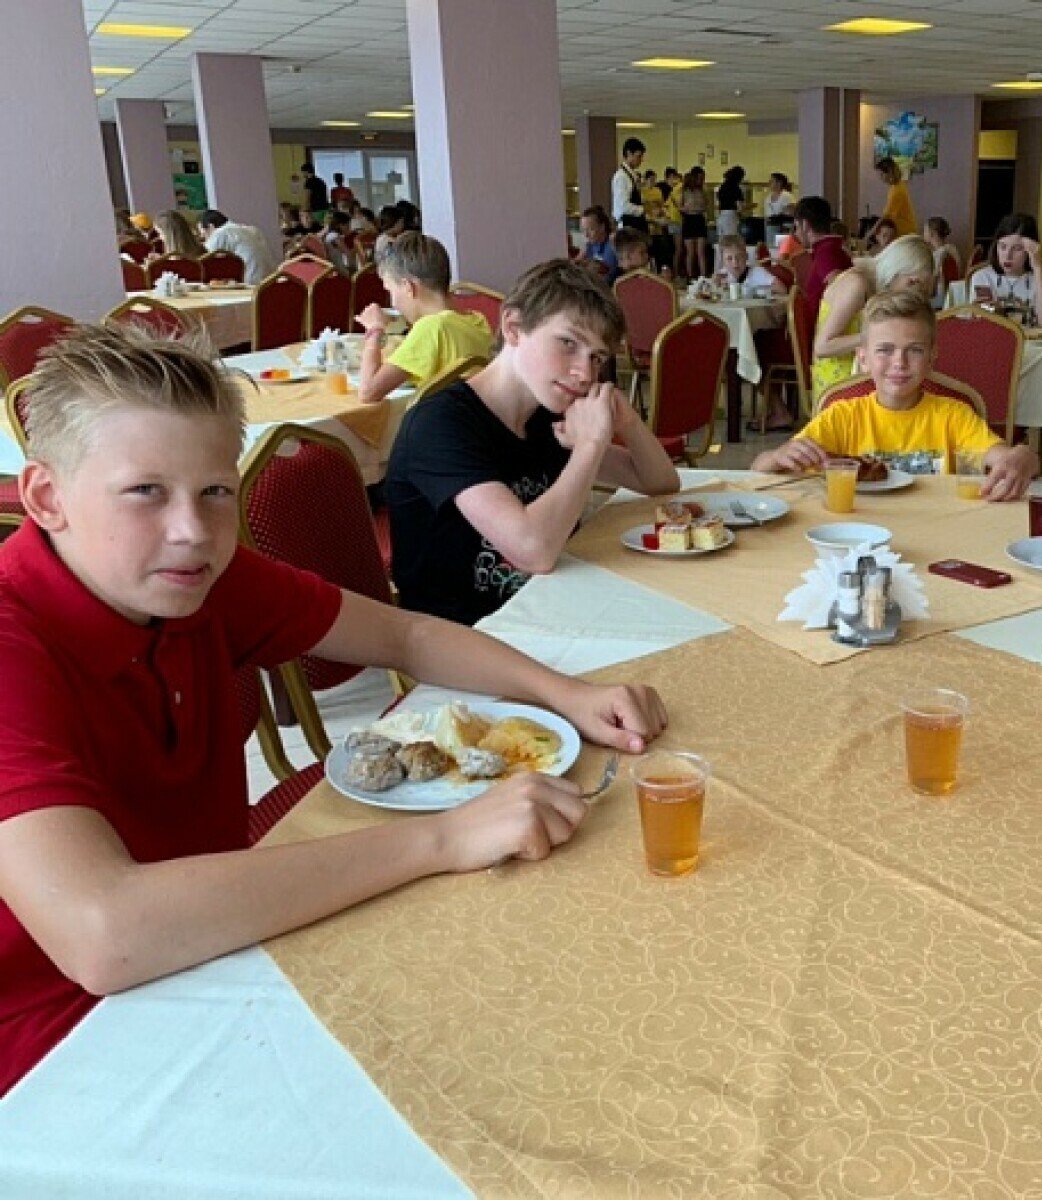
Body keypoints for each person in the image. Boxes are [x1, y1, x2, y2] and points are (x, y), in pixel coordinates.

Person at [0, 323, 670, 1096]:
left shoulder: (201, 577)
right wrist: (445, 837)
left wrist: (567, 694)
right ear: (47, 497)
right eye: (144, 492)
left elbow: (407, 635)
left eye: (215, 491)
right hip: (59, 1049)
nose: (191, 533)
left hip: (216, 944)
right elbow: (103, 932)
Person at [385, 260, 680, 625]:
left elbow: (659, 482)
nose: (585, 373)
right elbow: (533, 551)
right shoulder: (440, 424)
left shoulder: (547, 414)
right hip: (468, 631)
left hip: (551, 606)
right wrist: (589, 446)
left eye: (597, 357)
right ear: (513, 327)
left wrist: (628, 422)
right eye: (568, 343)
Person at [753, 291, 1037, 499]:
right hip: (859, 531)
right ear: (863, 358)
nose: (899, 363)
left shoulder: (954, 416)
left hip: (937, 529)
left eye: (914, 350)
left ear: (931, 358)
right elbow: (759, 471)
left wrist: (1022, 456)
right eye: (885, 350)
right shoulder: (842, 417)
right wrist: (777, 456)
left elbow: (1006, 459)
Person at [354, 232, 495, 405]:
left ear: (408, 287)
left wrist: (374, 329)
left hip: (442, 418)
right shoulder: (477, 320)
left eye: (390, 291)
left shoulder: (432, 328)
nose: (393, 303)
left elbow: (367, 393)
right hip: (473, 417)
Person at [811, 234, 936, 394]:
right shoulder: (856, 285)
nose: (912, 293)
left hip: (864, 368)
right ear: (895, 270)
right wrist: (875, 337)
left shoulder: (878, 288)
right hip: (838, 380)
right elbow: (822, 347)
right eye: (911, 283)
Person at [967, 213, 1042, 328]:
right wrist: (985, 311)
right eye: (1002, 247)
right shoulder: (982, 276)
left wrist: (1038, 268)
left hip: (1033, 338)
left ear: (1030, 250)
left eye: (1017, 248)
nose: (1008, 255)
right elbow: (982, 323)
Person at [792, 195, 853, 333]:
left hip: (822, 332)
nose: (796, 233)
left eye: (796, 227)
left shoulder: (826, 252)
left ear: (805, 225)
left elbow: (842, 290)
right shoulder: (831, 248)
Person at [196, 210, 275, 285]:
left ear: (211, 226)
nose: (203, 237)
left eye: (202, 233)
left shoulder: (221, 233)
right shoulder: (250, 230)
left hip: (251, 284)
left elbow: (203, 259)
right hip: (270, 282)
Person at [866, 158, 917, 251]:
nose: (880, 178)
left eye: (882, 174)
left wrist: (870, 233)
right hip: (903, 230)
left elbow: (886, 216)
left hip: (904, 232)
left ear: (889, 172)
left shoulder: (897, 191)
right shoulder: (896, 186)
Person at [714, 234, 785, 295]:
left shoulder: (757, 272)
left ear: (746, 257)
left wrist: (754, 290)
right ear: (723, 260)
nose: (735, 262)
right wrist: (716, 284)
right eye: (729, 258)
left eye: (739, 257)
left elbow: (782, 289)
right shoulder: (723, 274)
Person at [677, 167, 711, 279]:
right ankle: (690, 276)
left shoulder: (703, 190)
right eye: (700, 178)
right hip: (689, 219)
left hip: (699, 219)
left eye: (703, 178)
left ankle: (703, 276)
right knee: (690, 251)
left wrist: (700, 207)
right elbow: (679, 206)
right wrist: (687, 208)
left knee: (701, 251)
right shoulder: (684, 190)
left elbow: (707, 204)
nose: (701, 180)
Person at [611, 137, 648, 234]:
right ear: (629, 153)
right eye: (639, 156)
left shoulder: (632, 175)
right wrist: (643, 209)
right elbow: (623, 206)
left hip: (636, 224)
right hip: (628, 225)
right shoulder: (621, 177)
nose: (641, 160)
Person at [922, 217, 961, 306]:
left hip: (939, 300)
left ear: (932, 233)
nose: (923, 234)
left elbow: (932, 291)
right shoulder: (953, 249)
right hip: (953, 296)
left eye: (925, 231)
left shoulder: (937, 256)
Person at [578, 206, 620, 284]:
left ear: (602, 227)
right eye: (584, 230)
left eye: (591, 229)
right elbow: (575, 266)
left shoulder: (612, 245)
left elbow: (606, 279)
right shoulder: (590, 245)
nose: (586, 235)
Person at [716, 166, 745, 241]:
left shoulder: (722, 187)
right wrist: (740, 214)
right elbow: (740, 206)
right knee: (731, 240)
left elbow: (719, 203)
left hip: (721, 215)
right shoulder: (736, 188)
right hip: (731, 216)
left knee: (722, 240)